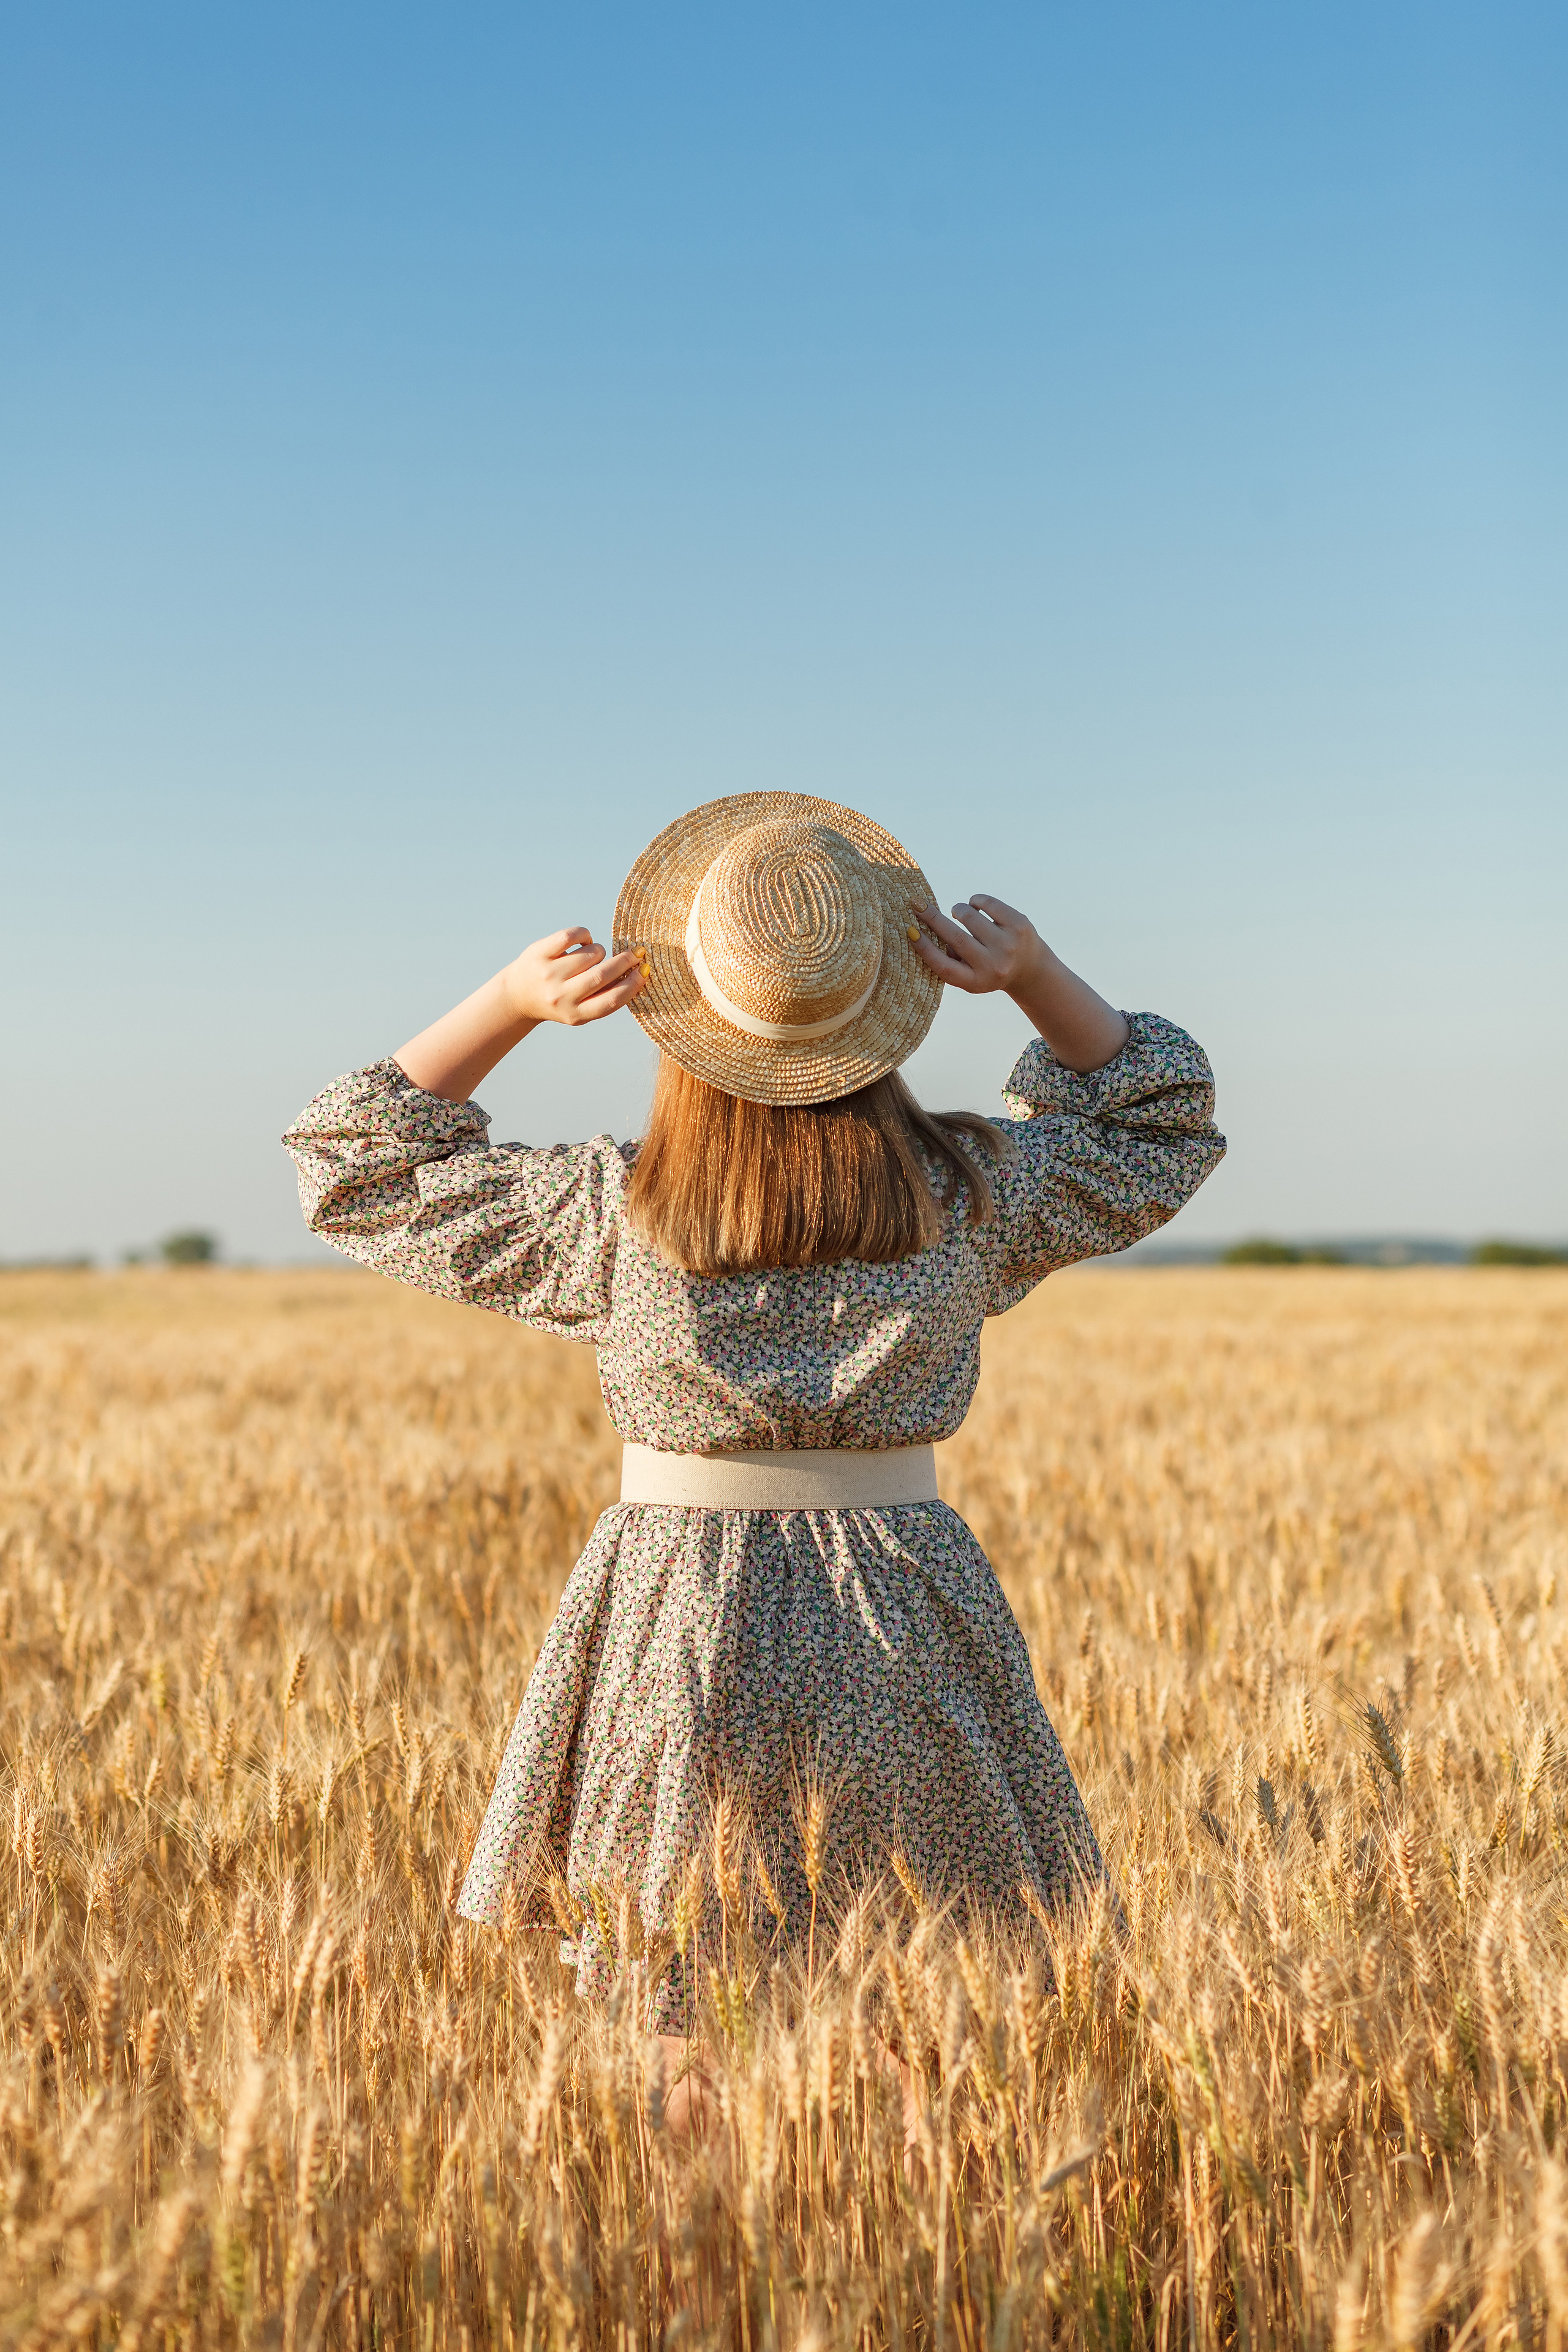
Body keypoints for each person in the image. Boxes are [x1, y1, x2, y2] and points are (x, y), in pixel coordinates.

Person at [283, 791, 1224, 2047]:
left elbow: (352, 1162)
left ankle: (709, 2238)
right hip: (905, 1601)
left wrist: (509, 1001)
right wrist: (1039, 976)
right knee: (917, 1995)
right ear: (884, 1015)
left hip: (675, 1607)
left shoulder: (606, 1213)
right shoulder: (970, 1196)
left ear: (685, 1023)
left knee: (675, 2001)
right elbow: (1156, 1119)